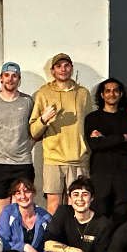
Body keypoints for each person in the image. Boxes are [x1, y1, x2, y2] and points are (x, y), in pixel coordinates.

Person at [29, 53, 94, 215]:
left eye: (66, 66)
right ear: (52, 71)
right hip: (53, 158)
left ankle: (74, 239)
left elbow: (90, 124)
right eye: (58, 66)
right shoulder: (43, 93)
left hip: (79, 158)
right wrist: (44, 119)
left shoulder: (83, 94)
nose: (63, 70)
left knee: (78, 204)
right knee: (53, 206)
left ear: (71, 69)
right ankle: (54, 239)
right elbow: (33, 130)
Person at [84, 78, 127, 224]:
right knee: (99, 212)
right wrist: (121, 138)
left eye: (115, 90)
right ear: (102, 95)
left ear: (121, 94)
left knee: (122, 212)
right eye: (107, 91)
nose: (112, 94)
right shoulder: (92, 118)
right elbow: (94, 145)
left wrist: (104, 139)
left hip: (123, 174)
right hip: (100, 174)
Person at [0, 62, 36, 219]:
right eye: (6, 75)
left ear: (19, 79)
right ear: (1, 78)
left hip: (23, 164)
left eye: (14, 76)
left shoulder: (27, 101)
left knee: (22, 210)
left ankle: (19, 244)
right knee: (1, 212)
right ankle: (1, 244)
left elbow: (34, 129)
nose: (10, 79)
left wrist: (25, 146)